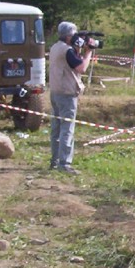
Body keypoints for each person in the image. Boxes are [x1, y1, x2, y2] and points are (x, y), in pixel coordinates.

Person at [49, 21, 93, 174]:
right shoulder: (67, 50)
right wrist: (88, 53)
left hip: (55, 91)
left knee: (56, 128)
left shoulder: (55, 47)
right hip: (66, 93)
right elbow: (81, 68)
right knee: (67, 129)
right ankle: (64, 163)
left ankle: (54, 161)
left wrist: (79, 49)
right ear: (69, 37)